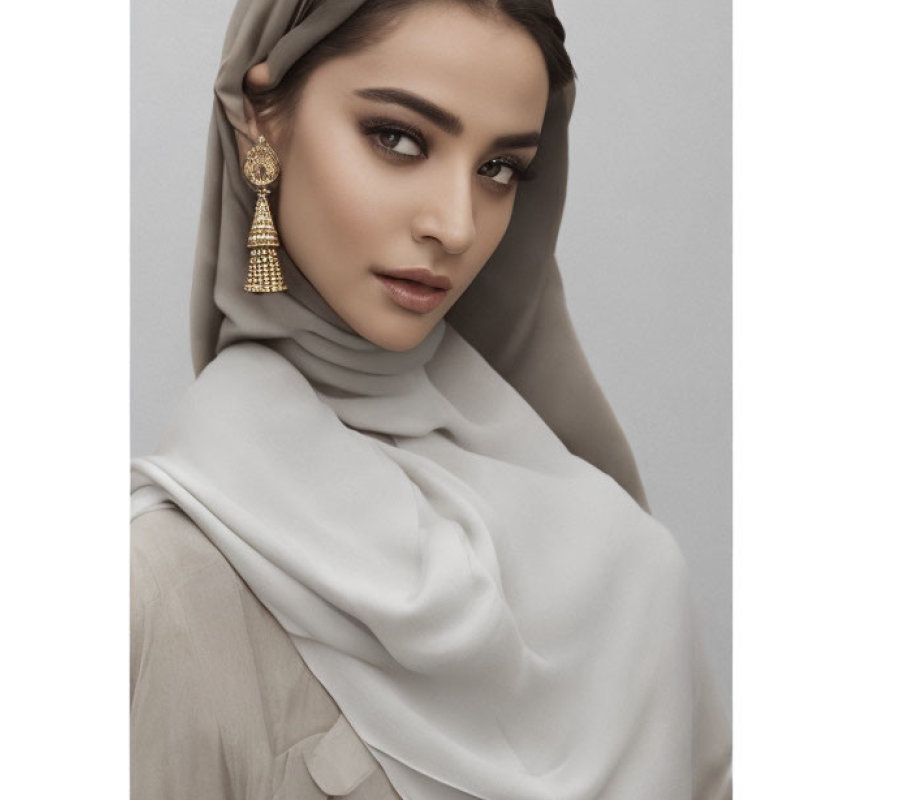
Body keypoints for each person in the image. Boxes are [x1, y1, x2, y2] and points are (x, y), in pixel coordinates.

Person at [131, 0, 732, 798]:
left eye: (499, 169)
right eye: (398, 139)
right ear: (260, 123)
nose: (455, 225)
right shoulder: (164, 590)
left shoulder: (625, 562)